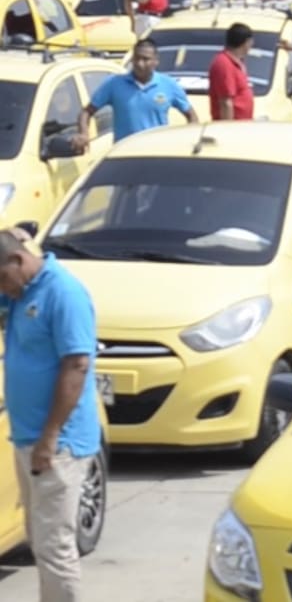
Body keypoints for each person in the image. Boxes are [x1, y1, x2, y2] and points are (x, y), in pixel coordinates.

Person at [0, 228, 101, 602]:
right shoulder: (20, 290)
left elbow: (76, 365)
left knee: (55, 547)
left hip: (57, 444)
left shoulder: (63, 293)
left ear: (17, 261)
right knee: (40, 540)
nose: (2, 288)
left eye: (1, 278)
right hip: (29, 438)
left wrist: (49, 436)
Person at [73, 39, 197, 149]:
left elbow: (191, 115)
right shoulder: (114, 83)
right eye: (136, 58)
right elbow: (86, 112)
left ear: (156, 61)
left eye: (145, 59)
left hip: (158, 154)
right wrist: (83, 134)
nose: (139, 63)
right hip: (125, 156)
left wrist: (190, 141)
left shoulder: (168, 85)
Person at [208, 22, 255, 121]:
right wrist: (228, 130)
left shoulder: (237, 63)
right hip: (233, 128)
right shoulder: (224, 63)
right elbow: (226, 102)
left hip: (243, 126)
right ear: (246, 42)